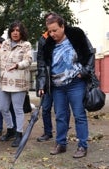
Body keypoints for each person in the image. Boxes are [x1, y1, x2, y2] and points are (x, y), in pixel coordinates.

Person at [38, 14, 95, 158]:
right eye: (49, 31)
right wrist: (42, 83)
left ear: (63, 26)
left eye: (55, 30)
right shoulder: (47, 44)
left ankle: (82, 146)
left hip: (76, 84)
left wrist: (84, 71)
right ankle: (61, 144)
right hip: (57, 86)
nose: (52, 34)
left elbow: (90, 54)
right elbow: (43, 65)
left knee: (79, 115)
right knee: (60, 116)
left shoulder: (76, 35)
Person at [0, 21, 32, 147]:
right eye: (13, 30)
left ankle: (19, 134)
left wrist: (18, 65)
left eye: (18, 30)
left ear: (21, 32)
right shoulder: (5, 44)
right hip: (3, 82)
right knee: (2, 107)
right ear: (10, 32)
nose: (15, 33)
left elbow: (28, 60)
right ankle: (11, 130)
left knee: (18, 109)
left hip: (18, 83)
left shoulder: (26, 45)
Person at [36, 12, 71, 142]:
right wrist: (41, 83)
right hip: (47, 79)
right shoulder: (43, 39)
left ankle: (63, 132)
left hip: (62, 80)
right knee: (45, 108)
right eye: (47, 21)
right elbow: (40, 62)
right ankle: (47, 132)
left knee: (61, 109)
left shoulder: (66, 36)